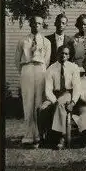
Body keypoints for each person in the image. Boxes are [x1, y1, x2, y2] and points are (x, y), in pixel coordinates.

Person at [15, 15, 51, 147]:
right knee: (28, 102)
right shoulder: (23, 41)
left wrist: (39, 69)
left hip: (40, 70)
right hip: (27, 69)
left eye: (40, 23)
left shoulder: (46, 42)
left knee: (38, 102)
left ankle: (38, 135)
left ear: (42, 25)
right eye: (35, 23)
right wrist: (26, 70)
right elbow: (17, 60)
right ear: (30, 24)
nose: (37, 25)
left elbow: (46, 61)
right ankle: (28, 135)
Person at [39, 45, 80, 149]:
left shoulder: (73, 67)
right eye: (61, 53)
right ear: (57, 54)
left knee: (60, 104)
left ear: (69, 56)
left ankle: (61, 137)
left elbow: (77, 88)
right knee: (41, 108)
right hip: (53, 95)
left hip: (67, 93)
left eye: (66, 54)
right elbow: (48, 90)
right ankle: (43, 138)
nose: (63, 55)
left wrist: (73, 102)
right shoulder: (51, 68)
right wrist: (54, 100)